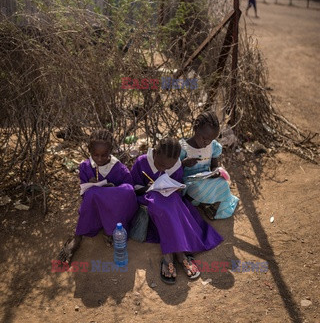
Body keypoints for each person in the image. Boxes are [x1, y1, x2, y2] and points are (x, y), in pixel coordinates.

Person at [131, 137, 223, 284]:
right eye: (160, 164)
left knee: (172, 202)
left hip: (170, 200)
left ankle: (174, 254)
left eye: (168, 167)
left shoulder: (175, 165)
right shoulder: (142, 162)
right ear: (155, 152)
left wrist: (169, 187)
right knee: (159, 205)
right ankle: (177, 253)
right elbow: (133, 187)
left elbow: (177, 187)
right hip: (149, 201)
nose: (163, 169)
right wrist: (148, 188)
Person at [58, 129, 138, 264]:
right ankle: (77, 238)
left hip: (115, 212)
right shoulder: (85, 167)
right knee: (91, 193)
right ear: (89, 151)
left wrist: (111, 190)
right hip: (95, 211)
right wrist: (94, 187)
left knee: (128, 189)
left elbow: (128, 198)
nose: (100, 159)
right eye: (95, 155)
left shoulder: (119, 168)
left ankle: (112, 230)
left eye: (104, 155)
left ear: (111, 151)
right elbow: (85, 195)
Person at [180, 111, 239, 221]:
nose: (207, 142)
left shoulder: (213, 146)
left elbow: (214, 166)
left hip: (206, 178)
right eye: (204, 138)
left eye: (210, 139)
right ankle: (203, 203)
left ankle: (202, 202)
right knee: (199, 188)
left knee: (223, 184)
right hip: (190, 182)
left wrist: (215, 172)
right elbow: (175, 170)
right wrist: (183, 164)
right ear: (196, 129)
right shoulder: (183, 147)